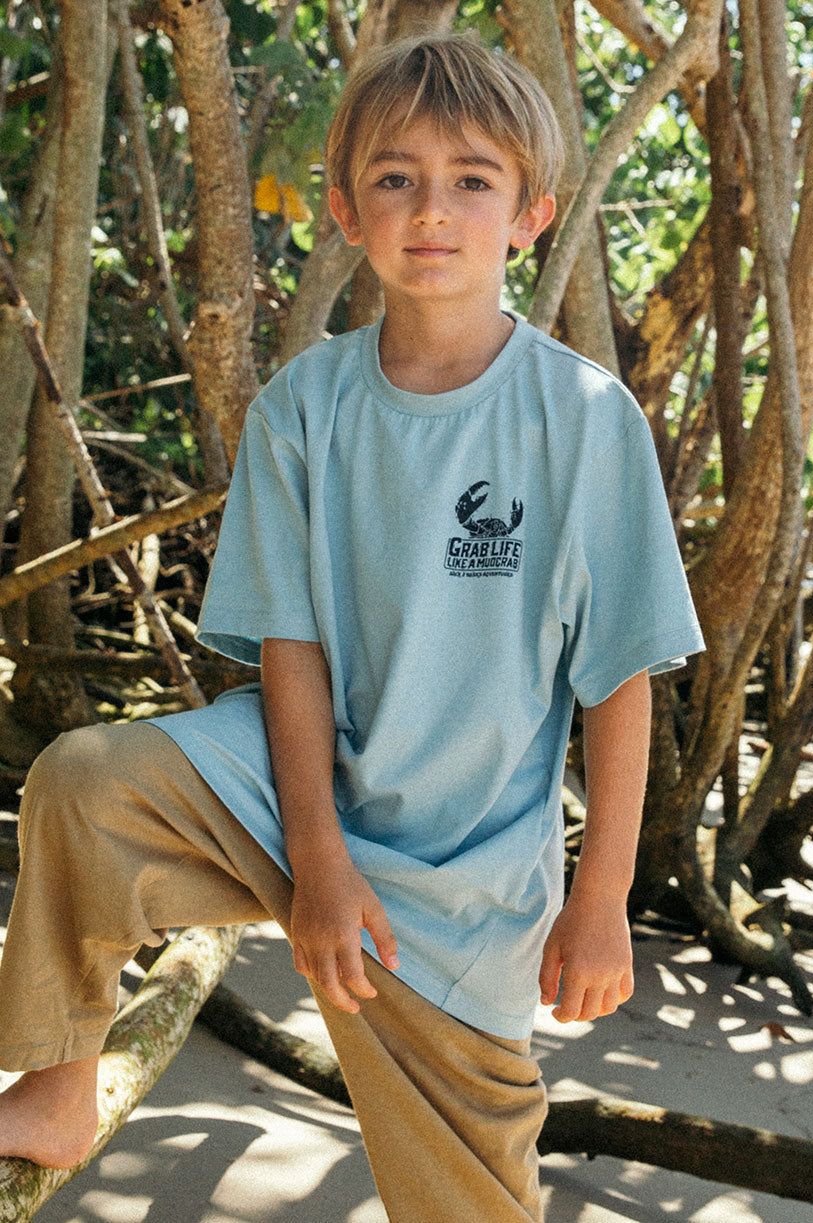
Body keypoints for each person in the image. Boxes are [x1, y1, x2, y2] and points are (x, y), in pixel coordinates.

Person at [0, 31, 704, 1222]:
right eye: (395, 177)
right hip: (297, 802)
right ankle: (56, 1085)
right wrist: (316, 867)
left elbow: (618, 677)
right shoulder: (302, 409)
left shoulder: (582, 419)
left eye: (471, 179)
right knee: (84, 780)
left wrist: (600, 900)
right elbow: (291, 646)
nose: (431, 208)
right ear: (343, 207)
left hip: (460, 882)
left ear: (529, 214)